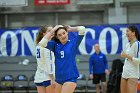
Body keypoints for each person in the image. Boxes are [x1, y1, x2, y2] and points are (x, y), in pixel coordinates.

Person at [39, 25, 86, 93]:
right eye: (60, 35)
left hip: (70, 78)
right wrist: (53, 30)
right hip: (58, 79)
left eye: (64, 33)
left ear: (67, 33)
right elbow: (42, 43)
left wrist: (71, 29)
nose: (63, 36)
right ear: (57, 37)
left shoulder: (73, 43)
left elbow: (82, 29)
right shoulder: (55, 45)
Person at [34, 25, 55, 93]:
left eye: (52, 31)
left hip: (39, 77)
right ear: (44, 34)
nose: (52, 33)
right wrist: (52, 79)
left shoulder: (38, 45)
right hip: (48, 77)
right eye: (49, 31)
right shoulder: (47, 46)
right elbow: (49, 63)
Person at [120, 25, 140, 93]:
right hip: (124, 73)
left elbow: (139, 61)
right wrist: (124, 55)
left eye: (127, 31)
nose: (126, 33)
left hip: (133, 74)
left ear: (133, 33)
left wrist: (127, 56)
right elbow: (126, 57)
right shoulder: (127, 45)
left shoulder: (138, 44)